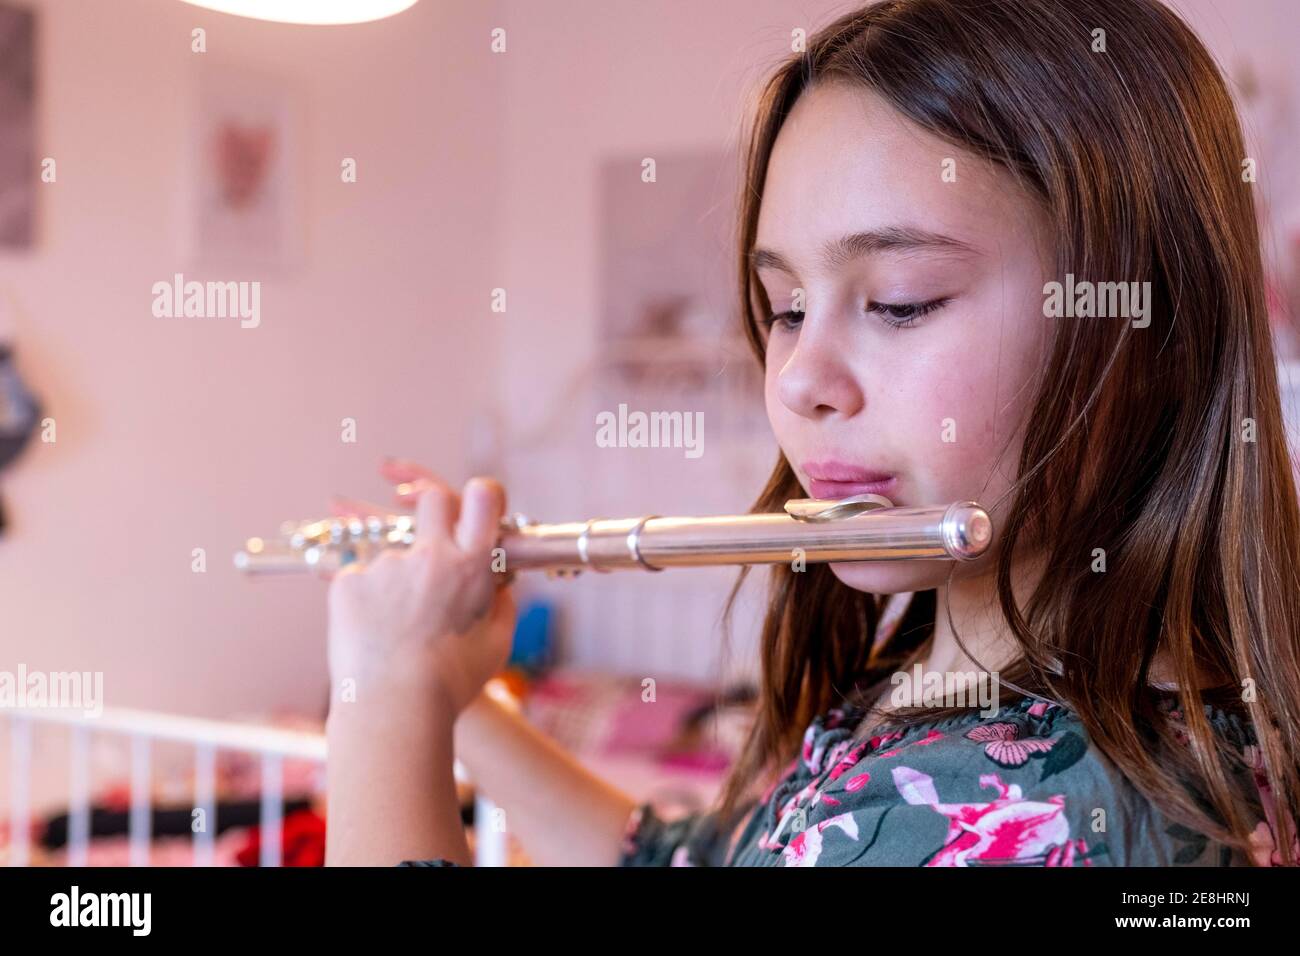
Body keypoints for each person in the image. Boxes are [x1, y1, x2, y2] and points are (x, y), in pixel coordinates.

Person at [323, 0, 1300, 867]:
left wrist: (381, 697)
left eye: (900, 301)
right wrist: (453, 685)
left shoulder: (1025, 808)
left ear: (1147, 325)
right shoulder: (962, 683)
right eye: (786, 305)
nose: (796, 378)